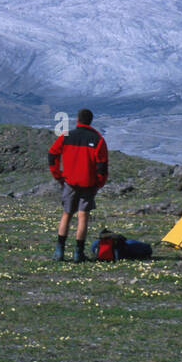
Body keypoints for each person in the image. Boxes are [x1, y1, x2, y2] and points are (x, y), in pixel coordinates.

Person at [48, 108, 108, 262]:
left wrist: (58, 176)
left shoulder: (66, 136)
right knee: (83, 217)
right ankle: (78, 254)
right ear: (91, 121)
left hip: (69, 183)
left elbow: (52, 154)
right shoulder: (98, 139)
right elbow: (102, 167)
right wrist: (98, 184)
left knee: (66, 214)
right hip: (88, 184)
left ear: (77, 120)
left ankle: (59, 252)